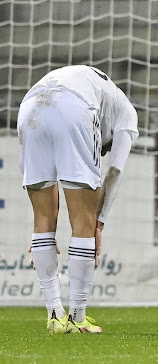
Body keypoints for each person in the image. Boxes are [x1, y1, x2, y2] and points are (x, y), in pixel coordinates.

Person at [18, 65, 139, 334]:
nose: (104, 149)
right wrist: (99, 222)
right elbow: (115, 169)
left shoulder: (103, 93)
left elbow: (40, 200)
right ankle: (78, 319)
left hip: (30, 106)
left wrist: (41, 238)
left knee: (42, 220)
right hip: (73, 107)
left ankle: (54, 317)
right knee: (83, 220)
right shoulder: (128, 115)